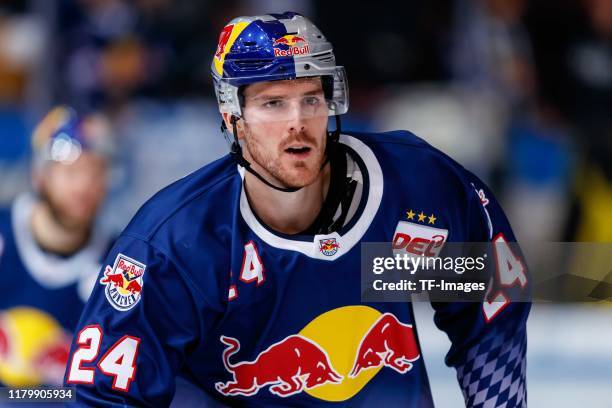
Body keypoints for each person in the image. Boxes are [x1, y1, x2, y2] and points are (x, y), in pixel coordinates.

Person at [65, 12, 530, 407]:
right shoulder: (179, 246)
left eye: (311, 98)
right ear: (233, 118)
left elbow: (495, 295)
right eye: (273, 103)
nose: (298, 122)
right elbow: (102, 395)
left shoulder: (409, 197)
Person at [0, 106, 114, 387]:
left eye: (95, 171)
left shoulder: (121, 265)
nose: (84, 185)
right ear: (40, 176)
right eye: (71, 172)